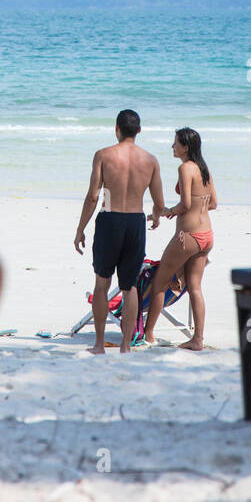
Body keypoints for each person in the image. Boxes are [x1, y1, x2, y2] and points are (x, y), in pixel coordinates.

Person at [74, 109, 166, 353]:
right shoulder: (150, 160)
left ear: (116, 129)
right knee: (130, 287)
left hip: (109, 219)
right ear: (139, 131)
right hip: (135, 222)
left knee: (102, 283)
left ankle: (98, 345)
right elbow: (158, 202)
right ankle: (126, 345)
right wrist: (156, 218)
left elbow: (94, 196)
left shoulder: (103, 155)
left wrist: (80, 228)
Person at [144, 127, 217, 351]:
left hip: (188, 236)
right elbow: (213, 203)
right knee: (195, 287)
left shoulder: (185, 168)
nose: (172, 147)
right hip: (207, 235)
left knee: (160, 282)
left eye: (175, 143)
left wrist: (169, 212)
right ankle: (198, 339)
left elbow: (185, 204)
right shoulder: (204, 169)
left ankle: (148, 334)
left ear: (185, 147)